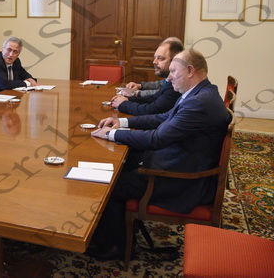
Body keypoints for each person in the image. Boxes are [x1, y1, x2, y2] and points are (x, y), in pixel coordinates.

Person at [89, 49, 232, 260]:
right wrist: (122, 122)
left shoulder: (199, 103)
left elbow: (157, 139)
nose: (169, 77)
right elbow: (163, 118)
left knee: (109, 186)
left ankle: (114, 246)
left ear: (190, 71)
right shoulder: (201, 93)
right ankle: (118, 230)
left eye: (173, 72)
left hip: (179, 180)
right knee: (121, 162)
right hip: (179, 160)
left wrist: (111, 134)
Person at [110, 38, 183, 115]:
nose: (154, 62)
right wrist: (129, 97)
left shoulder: (177, 84)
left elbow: (151, 109)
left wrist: (130, 97)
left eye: (160, 58)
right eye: (155, 58)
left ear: (175, 61)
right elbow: (155, 95)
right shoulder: (170, 80)